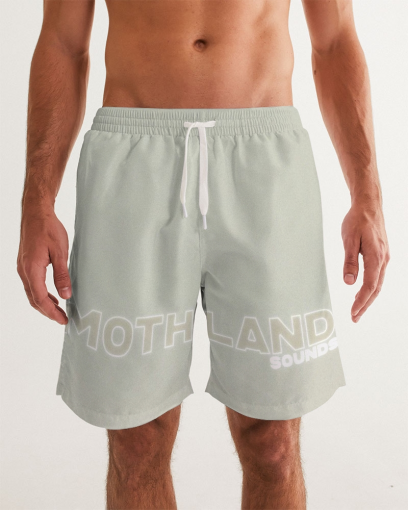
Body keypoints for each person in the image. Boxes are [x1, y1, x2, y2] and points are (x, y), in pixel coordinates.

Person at [17, 0, 390, 508]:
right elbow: (63, 43)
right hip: (132, 158)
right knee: (135, 440)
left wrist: (367, 195)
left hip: (264, 163)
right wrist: (37, 201)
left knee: (273, 442)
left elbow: (335, 40)